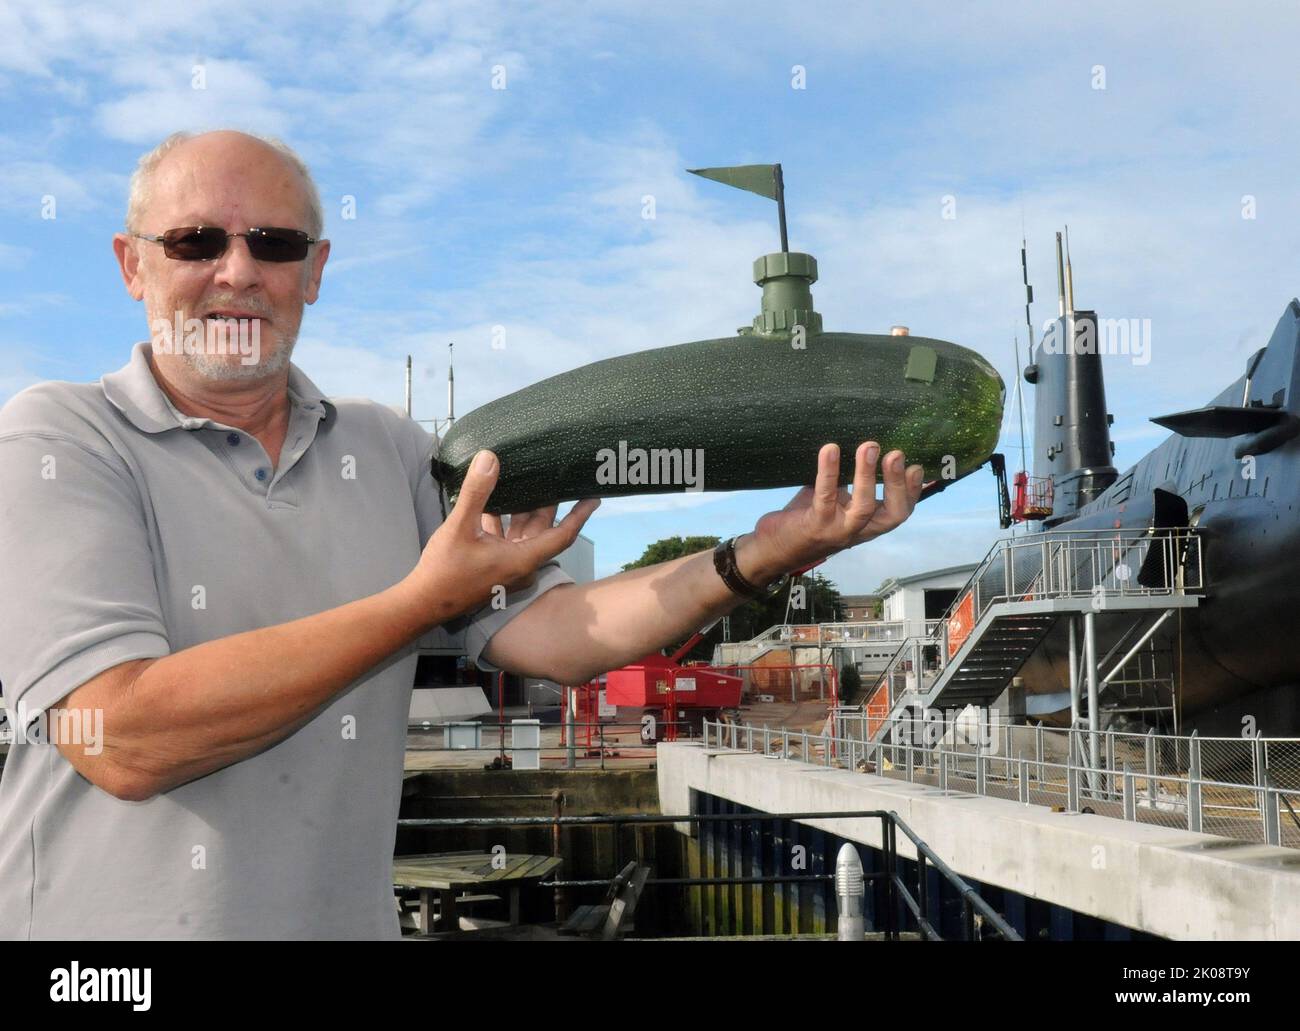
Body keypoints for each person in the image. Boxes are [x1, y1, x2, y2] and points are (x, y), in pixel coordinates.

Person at [0, 130, 924, 940]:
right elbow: (122, 736)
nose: (237, 270)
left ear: (314, 271)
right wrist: (417, 604)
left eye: (273, 243)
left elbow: (561, 635)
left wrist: (765, 550)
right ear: (132, 265)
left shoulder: (396, 452)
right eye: (196, 240)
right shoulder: (57, 438)